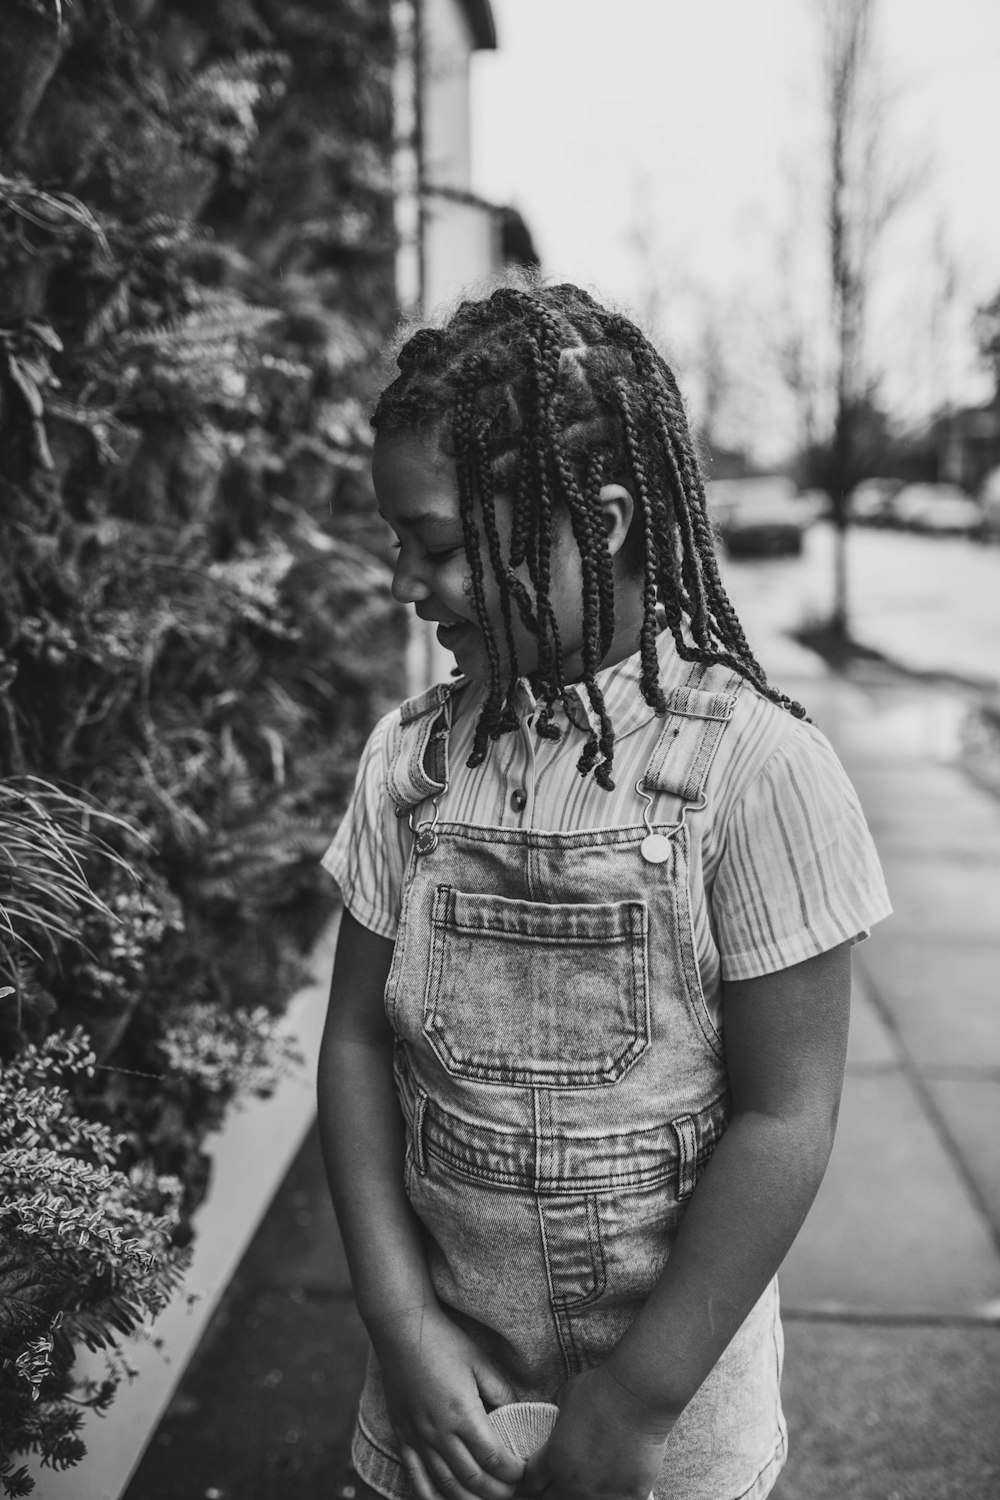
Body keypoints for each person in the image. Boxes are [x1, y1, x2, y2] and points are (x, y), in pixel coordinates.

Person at [317, 277, 891, 1500]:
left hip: (666, 1417)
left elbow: (786, 1118)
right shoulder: (407, 765)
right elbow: (358, 1044)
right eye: (397, 546)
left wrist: (632, 1407)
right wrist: (396, 1318)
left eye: (436, 546)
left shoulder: (758, 773)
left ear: (606, 518)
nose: (408, 586)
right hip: (443, 1397)